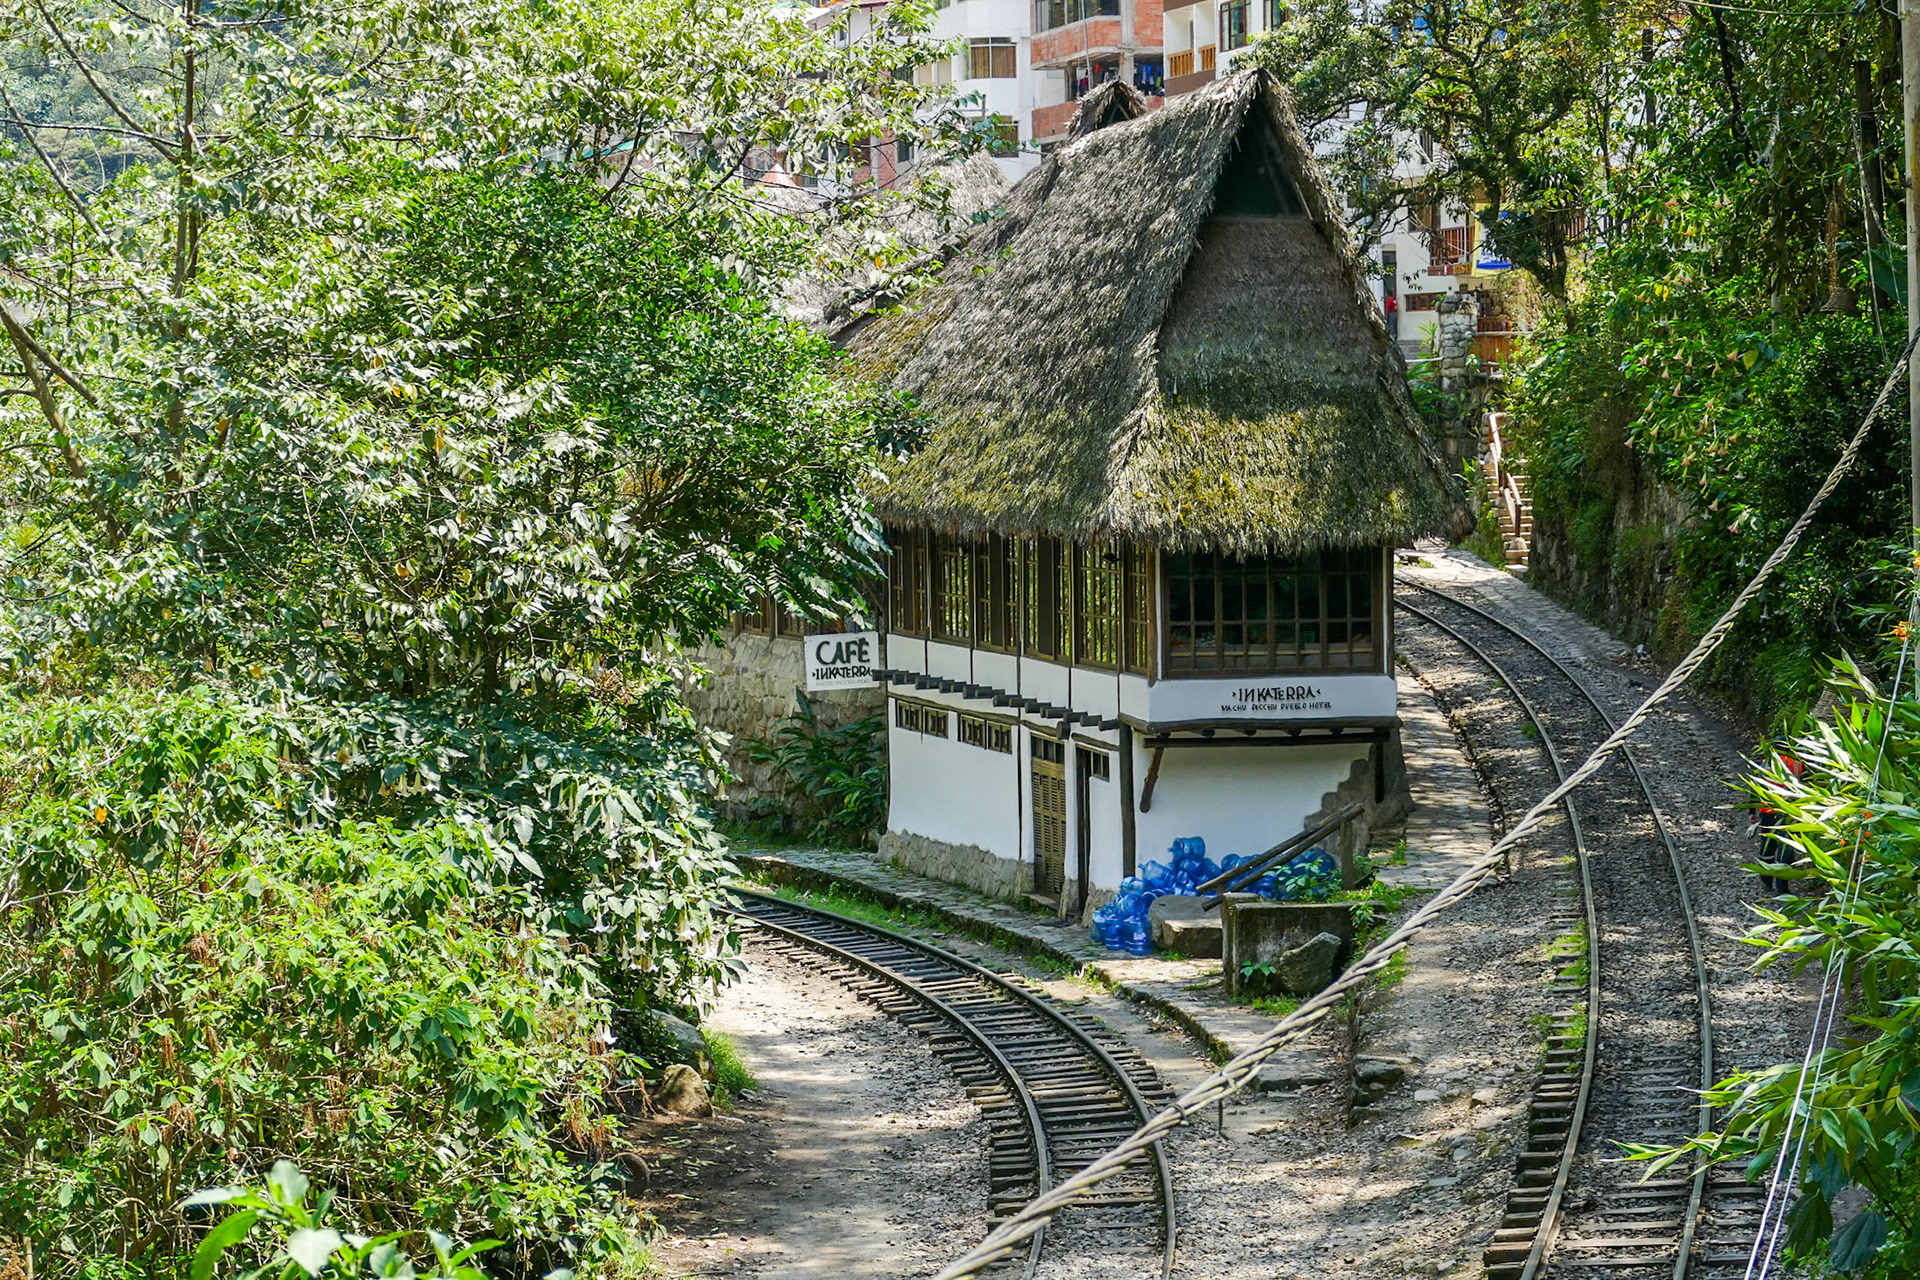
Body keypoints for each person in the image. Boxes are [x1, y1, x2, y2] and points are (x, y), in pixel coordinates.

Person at [1748, 751, 1802, 895]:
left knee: (1767, 848)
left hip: (1768, 814)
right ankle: (1782, 887)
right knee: (1786, 850)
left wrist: (1751, 811)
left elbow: (1754, 790)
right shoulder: (1797, 764)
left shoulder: (1763, 765)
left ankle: (1766, 881)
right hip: (1789, 814)